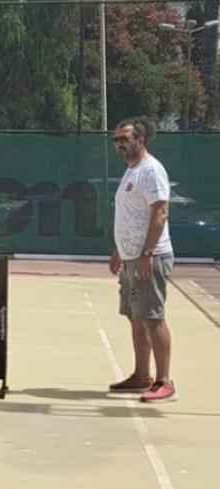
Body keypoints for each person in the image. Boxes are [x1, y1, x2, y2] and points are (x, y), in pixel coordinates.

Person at [107, 116, 176, 403]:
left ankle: (164, 381)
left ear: (141, 140)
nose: (119, 145)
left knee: (153, 317)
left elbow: (160, 213)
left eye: (125, 139)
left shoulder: (151, 170)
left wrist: (147, 253)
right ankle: (141, 376)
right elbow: (127, 216)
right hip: (130, 258)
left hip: (150, 257)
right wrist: (118, 251)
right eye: (116, 140)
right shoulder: (131, 171)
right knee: (136, 318)